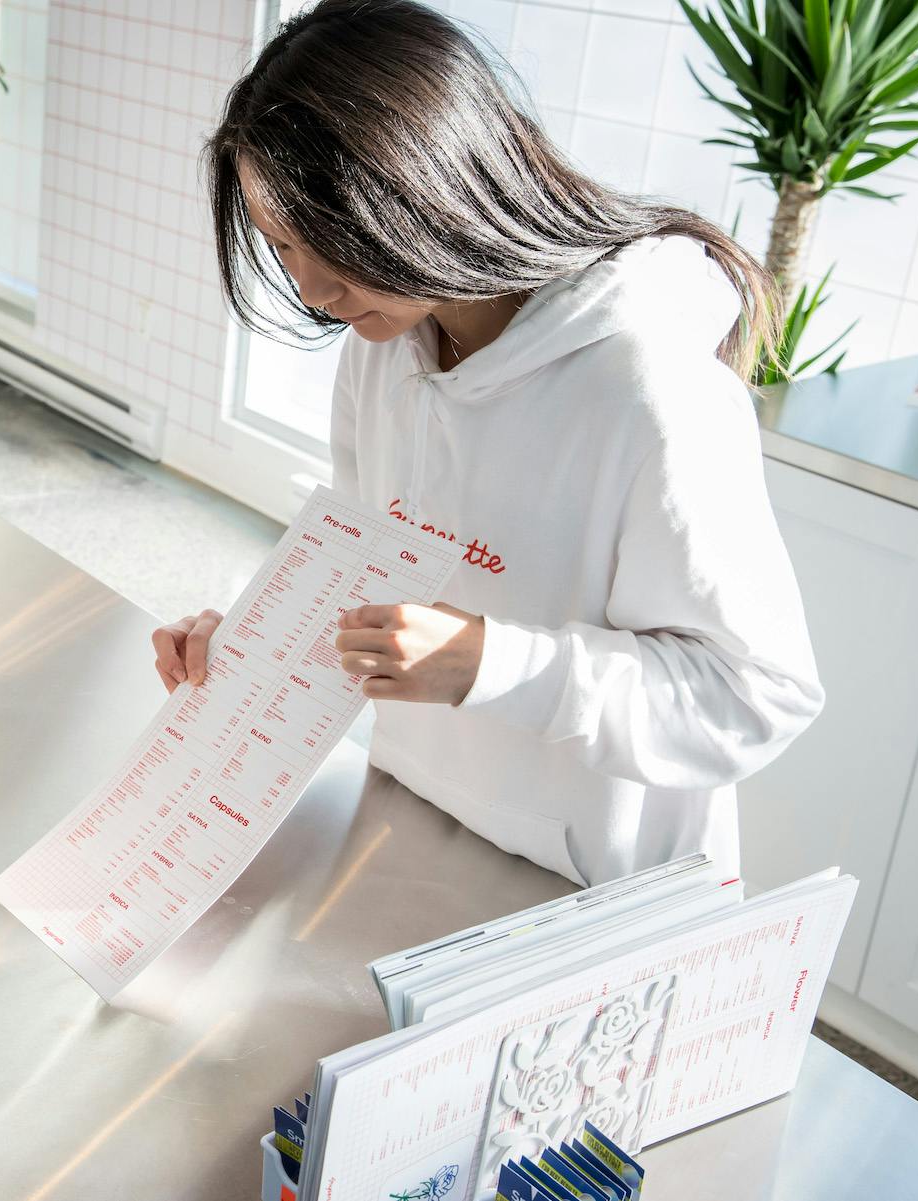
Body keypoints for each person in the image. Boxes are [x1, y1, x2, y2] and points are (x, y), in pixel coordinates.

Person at [151, 0, 823, 888]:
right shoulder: (382, 351)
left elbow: (754, 698)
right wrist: (251, 645)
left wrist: (498, 663)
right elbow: (367, 573)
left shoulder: (647, 390)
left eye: (328, 240)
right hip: (416, 833)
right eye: (282, 246)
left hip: (590, 895)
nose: (311, 290)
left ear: (428, 189)